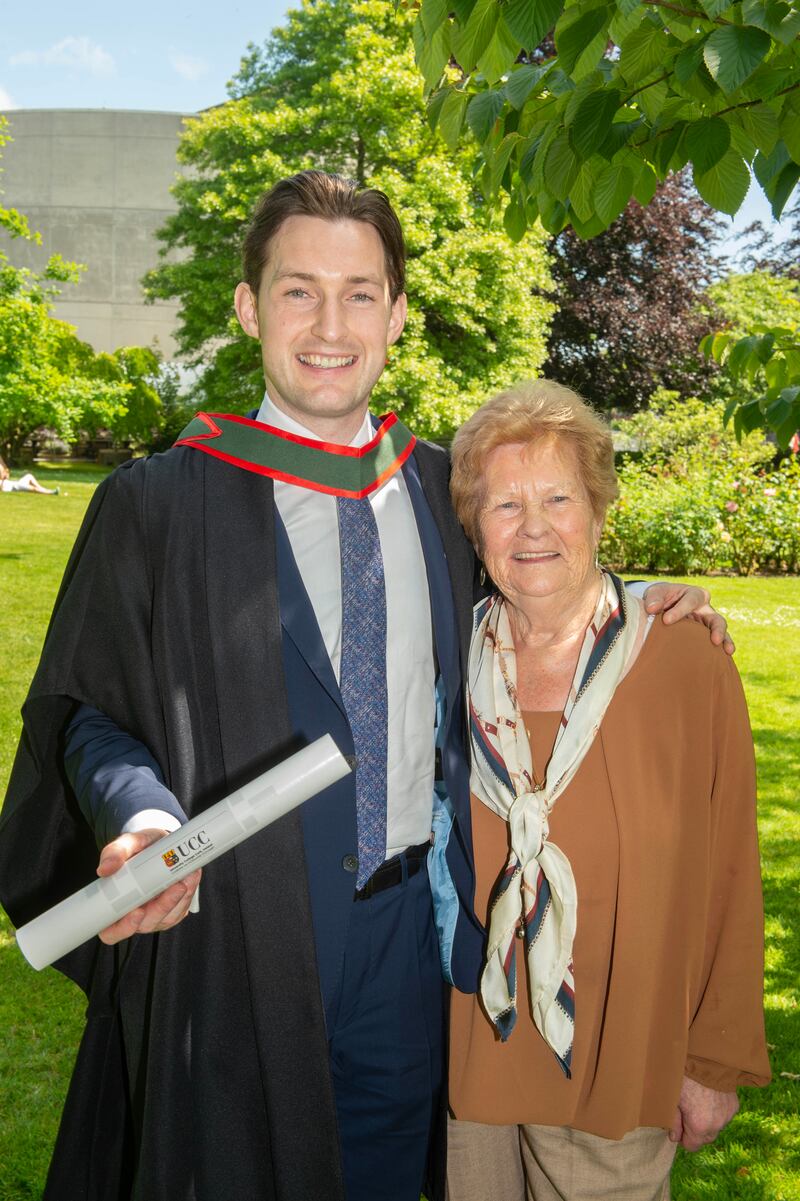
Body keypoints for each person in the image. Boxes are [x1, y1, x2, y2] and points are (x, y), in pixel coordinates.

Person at [0, 173, 729, 1201]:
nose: (329, 324)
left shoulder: (441, 490)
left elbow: (533, 585)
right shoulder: (156, 507)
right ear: (249, 305)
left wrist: (646, 598)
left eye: (358, 293)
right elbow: (84, 709)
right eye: (299, 291)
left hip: (405, 937)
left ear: (394, 314)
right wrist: (137, 812)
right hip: (235, 939)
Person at [445, 380, 771, 1201]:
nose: (533, 528)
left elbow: (731, 872)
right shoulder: (449, 662)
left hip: (619, 1066)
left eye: (558, 497)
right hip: (468, 1052)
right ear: (472, 526)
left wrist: (711, 1059)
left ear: (597, 509)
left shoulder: (681, 658)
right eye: (504, 504)